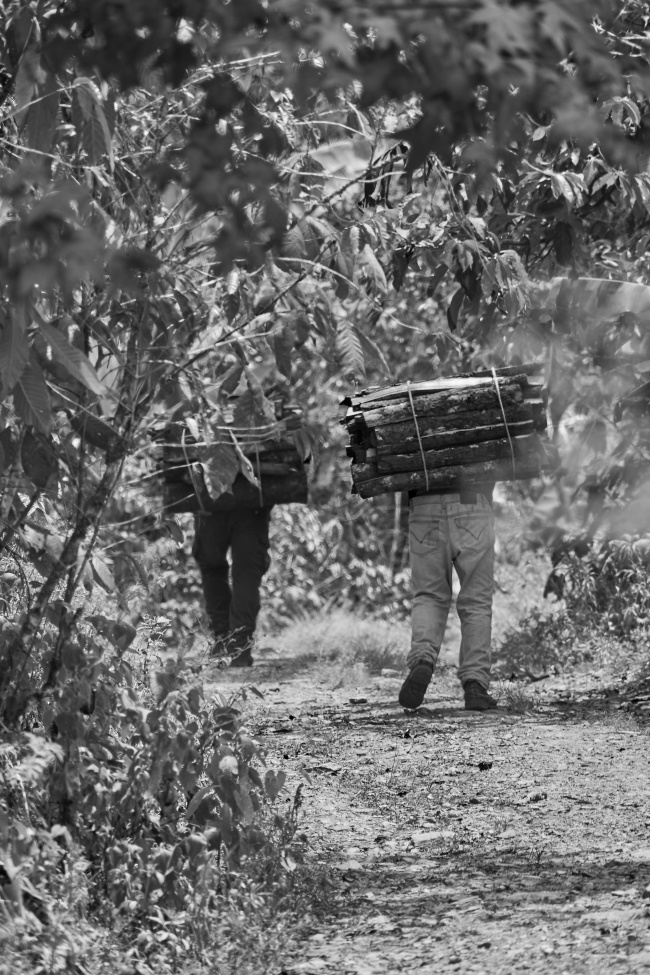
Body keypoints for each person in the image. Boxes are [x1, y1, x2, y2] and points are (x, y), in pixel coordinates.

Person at [398, 484, 498, 712]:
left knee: (429, 595)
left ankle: (423, 659)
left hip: (423, 504)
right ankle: (475, 684)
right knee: (476, 601)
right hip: (472, 502)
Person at [193, 505, 272, 666]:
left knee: (213, 571)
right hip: (250, 509)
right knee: (246, 575)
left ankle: (223, 641)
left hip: (210, 509)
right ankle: (239, 647)